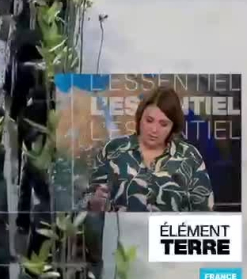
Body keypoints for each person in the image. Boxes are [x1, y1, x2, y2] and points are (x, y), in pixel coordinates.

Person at [85, 85, 214, 212]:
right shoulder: (113, 149)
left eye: (163, 124)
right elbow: (87, 201)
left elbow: (204, 212)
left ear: (173, 126)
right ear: (140, 118)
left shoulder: (189, 157)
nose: (154, 129)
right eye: (149, 120)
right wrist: (94, 204)